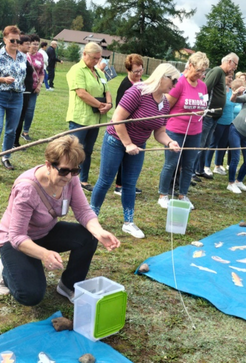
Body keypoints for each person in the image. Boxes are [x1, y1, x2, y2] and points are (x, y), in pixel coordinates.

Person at [0, 135, 120, 305]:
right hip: (16, 241)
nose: (69, 177)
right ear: (48, 164)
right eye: (64, 171)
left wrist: (99, 232)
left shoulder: (71, 179)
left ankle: (68, 286)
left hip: (45, 232)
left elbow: (83, 211)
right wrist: (44, 254)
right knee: (31, 296)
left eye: (75, 171)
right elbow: (17, 237)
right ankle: (6, 269)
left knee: (90, 236)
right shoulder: (26, 189)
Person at [90, 64, 181, 239]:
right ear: (162, 76)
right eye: (173, 80)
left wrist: (170, 142)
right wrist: (127, 143)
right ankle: (92, 219)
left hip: (138, 145)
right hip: (116, 140)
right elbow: (117, 119)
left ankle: (128, 223)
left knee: (130, 184)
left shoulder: (165, 103)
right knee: (105, 180)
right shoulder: (137, 91)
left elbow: (160, 132)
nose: (175, 85)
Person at [158, 53, 209, 210]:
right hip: (176, 130)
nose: (200, 75)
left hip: (195, 131)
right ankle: (163, 195)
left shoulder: (202, 85)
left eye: (203, 72)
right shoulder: (179, 83)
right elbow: (167, 106)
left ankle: (183, 195)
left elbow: (204, 103)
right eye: (198, 70)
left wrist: (203, 111)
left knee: (189, 165)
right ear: (191, 65)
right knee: (171, 163)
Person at [66, 42, 113, 192]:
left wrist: (109, 104)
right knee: (74, 150)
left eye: (98, 58)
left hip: (95, 119)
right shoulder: (76, 70)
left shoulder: (99, 72)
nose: (96, 61)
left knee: (88, 151)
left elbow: (107, 90)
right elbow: (81, 93)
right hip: (80, 118)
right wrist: (100, 105)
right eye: (94, 58)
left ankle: (83, 179)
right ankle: (67, 178)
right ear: (84, 54)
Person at [0, 25, 26, 173]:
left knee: (11, 130)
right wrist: (2, 79)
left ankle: (5, 157)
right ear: (5, 39)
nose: (15, 43)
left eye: (18, 40)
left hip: (16, 97)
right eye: (12, 40)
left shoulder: (23, 56)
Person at [194, 52, 239, 179]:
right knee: (201, 144)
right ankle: (192, 171)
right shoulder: (217, 71)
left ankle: (199, 169)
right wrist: (202, 106)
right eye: (235, 64)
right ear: (229, 61)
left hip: (215, 116)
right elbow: (204, 88)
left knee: (206, 145)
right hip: (209, 114)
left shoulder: (222, 74)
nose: (235, 67)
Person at [113, 53, 144, 196]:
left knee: (132, 159)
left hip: (137, 129)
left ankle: (128, 184)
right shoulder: (125, 85)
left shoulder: (142, 83)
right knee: (122, 157)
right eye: (135, 71)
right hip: (125, 129)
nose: (138, 74)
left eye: (141, 70)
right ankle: (119, 185)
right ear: (128, 70)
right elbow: (118, 111)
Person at [15, 34, 44, 145]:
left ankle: (25, 131)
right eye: (33, 44)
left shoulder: (40, 56)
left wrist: (39, 85)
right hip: (23, 88)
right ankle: (14, 133)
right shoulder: (23, 55)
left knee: (30, 110)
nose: (35, 46)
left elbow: (41, 72)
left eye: (37, 44)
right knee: (20, 111)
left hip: (34, 88)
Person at [207, 73, 235, 175]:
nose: (230, 79)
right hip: (219, 121)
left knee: (222, 145)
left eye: (232, 77)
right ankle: (206, 166)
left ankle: (217, 166)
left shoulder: (232, 91)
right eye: (228, 77)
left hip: (229, 122)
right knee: (213, 144)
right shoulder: (220, 91)